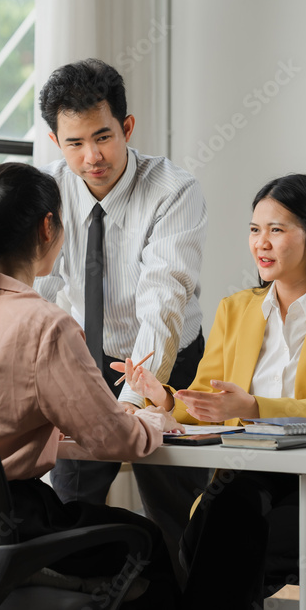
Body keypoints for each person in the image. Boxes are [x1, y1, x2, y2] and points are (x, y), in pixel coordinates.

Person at [0, 163, 182, 608]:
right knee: (150, 542)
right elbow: (113, 438)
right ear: (48, 227)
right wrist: (152, 419)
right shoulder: (46, 323)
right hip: (7, 532)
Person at [121, 173, 306, 608]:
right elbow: (206, 399)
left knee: (219, 540)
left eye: (277, 230)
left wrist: (253, 406)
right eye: (255, 230)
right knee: (221, 528)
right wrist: (162, 397)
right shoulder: (236, 309)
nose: (262, 243)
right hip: (249, 475)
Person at [34, 58, 212, 576]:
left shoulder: (173, 190)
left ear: (127, 128)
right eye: (74, 143)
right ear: (55, 141)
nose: (92, 157)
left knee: (178, 508)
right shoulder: (48, 193)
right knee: (71, 510)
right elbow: (34, 291)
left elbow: (164, 299)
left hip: (169, 365)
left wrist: (136, 400)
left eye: (103, 136)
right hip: (85, 362)